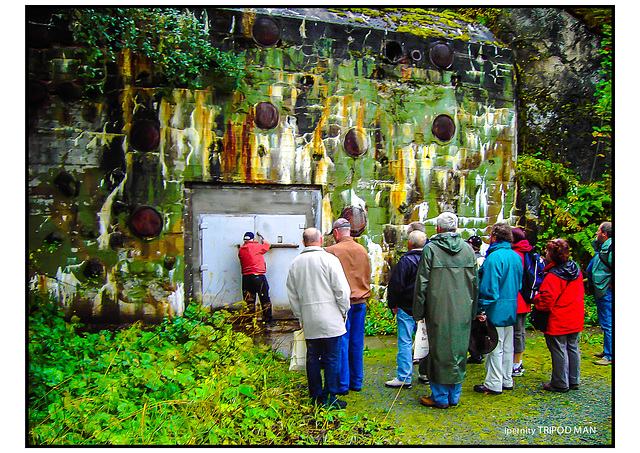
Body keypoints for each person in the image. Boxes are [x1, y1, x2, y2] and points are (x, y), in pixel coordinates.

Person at [412, 212, 478, 408]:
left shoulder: (430, 249)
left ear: (438, 229)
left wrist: (418, 312)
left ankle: (440, 397)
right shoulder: (468, 250)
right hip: (463, 309)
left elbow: (421, 284)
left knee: (437, 350)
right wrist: (473, 311)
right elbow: (475, 284)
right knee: (458, 349)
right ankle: (454, 396)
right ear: (455, 228)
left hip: (437, 309)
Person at [286, 228, 351, 409]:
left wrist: (300, 316)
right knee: (331, 358)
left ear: (304, 241)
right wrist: (344, 310)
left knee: (312, 358)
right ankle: (330, 397)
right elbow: (342, 290)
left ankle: (315, 396)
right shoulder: (330, 260)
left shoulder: (295, 263)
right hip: (331, 318)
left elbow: (292, 294)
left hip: (309, 319)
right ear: (321, 239)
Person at [473, 223, 522, 396]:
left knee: (493, 345)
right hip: (511, 306)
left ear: (494, 237)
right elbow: (519, 284)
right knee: (508, 346)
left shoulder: (494, 258)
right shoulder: (515, 256)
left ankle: (493, 383)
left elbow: (489, 289)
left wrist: (480, 308)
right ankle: (506, 378)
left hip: (496, 308)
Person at [326, 218, 372, 394]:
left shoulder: (331, 251)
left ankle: (342, 384)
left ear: (336, 232)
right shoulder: (362, 250)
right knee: (357, 343)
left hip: (340, 304)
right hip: (360, 302)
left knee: (341, 342)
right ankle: (357, 381)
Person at [533, 239, 585, 392]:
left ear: (553, 255)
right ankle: (573, 380)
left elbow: (546, 301)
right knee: (573, 347)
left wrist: (536, 298)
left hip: (559, 318)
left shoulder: (553, 276)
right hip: (575, 315)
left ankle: (560, 382)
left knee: (558, 349)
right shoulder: (575, 269)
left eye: (547, 252)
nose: (545, 254)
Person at [385, 230, 428, 389]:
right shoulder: (430, 260)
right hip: (425, 307)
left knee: (405, 341)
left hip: (406, 306)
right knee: (425, 340)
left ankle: (404, 376)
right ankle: (425, 373)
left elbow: (396, 285)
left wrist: (393, 304)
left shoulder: (406, 261)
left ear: (409, 244)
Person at [587, 221, 612, 366]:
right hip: (601, 288)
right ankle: (608, 349)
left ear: (605, 234)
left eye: (598, 231)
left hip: (605, 289)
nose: (596, 233)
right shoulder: (604, 246)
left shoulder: (611, 247)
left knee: (608, 321)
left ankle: (609, 355)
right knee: (606, 320)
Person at [238, 231, 273, 326]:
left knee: (249, 300)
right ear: (253, 239)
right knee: (264, 298)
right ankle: (268, 321)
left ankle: (250, 322)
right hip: (258, 276)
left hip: (246, 278)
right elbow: (266, 248)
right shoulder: (256, 246)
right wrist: (265, 241)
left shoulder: (241, 249)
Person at [510, 228, 533, 377]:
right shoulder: (528, 252)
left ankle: (516, 364)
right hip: (525, 299)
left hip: (516, 298)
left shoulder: (516, 254)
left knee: (517, 333)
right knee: (520, 332)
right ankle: (517, 362)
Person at [466, 235, 486, 364]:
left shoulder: (472, 259)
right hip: (482, 296)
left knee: (471, 328)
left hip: (473, 296)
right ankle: (479, 352)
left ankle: (475, 353)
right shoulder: (485, 259)